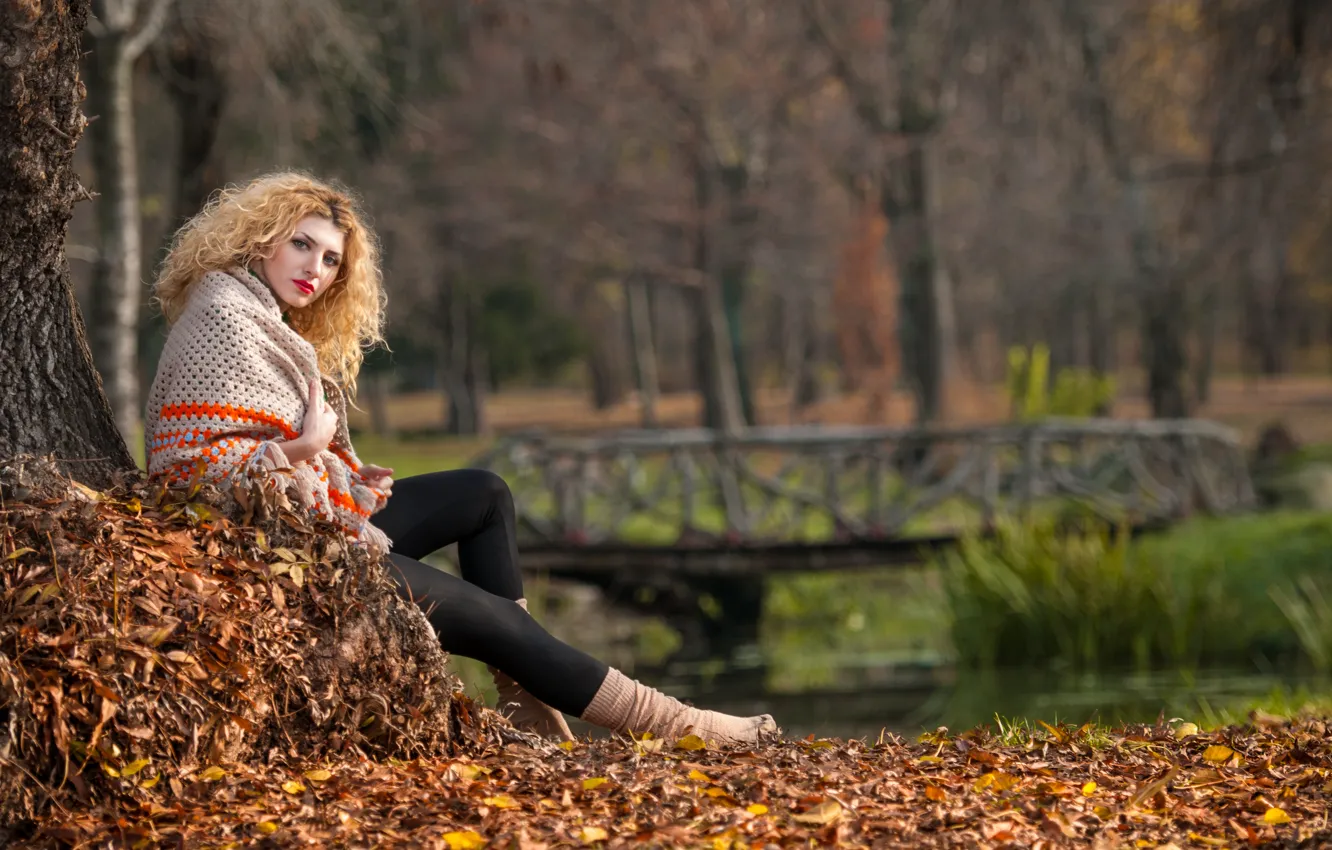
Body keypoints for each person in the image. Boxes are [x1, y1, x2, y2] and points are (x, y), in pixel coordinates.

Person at [144, 171, 778, 747]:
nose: (317, 268)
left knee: (482, 495)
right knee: (499, 622)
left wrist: (343, 477)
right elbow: (192, 472)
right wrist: (308, 450)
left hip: (304, 531)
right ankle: (685, 728)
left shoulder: (262, 316)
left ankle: (527, 703)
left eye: (333, 259)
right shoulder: (225, 316)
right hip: (267, 559)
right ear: (263, 239)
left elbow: (258, 448)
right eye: (302, 245)